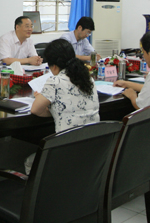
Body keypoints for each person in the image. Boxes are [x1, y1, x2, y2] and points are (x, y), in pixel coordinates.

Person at [28, 38, 99, 173]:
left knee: (30, 162)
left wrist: (43, 101)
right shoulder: (88, 78)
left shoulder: (55, 81)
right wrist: (57, 108)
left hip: (67, 150)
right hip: (94, 148)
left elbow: (35, 109)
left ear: (54, 66)